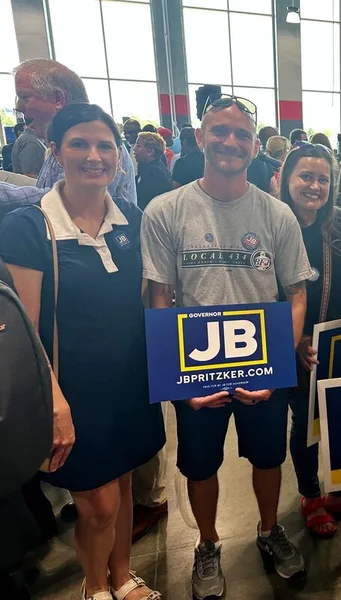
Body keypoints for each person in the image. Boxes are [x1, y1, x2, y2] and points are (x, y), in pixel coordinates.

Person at [141, 95, 311, 598]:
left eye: (242, 135)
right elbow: (159, 298)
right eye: (220, 131)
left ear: (255, 146)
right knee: (200, 465)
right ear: (200, 137)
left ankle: (268, 530)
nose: (230, 142)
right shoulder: (166, 210)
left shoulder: (277, 214)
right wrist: (178, 382)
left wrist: (277, 367)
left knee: (268, 459)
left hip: (261, 362)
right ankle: (208, 543)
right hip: (196, 368)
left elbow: (296, 294)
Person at [0, 103, 165, 600]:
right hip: (73, 393)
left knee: (124, 487)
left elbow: (147, 304)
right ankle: (95, 587)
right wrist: (54, 401)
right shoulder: (30, 228)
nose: (94, 156)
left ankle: (123, 575)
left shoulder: (132, 220)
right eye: (79, 144)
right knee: (97, 507)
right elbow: (27, 331)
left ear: (119, 155)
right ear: (56, 151)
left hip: (130, 385)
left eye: (104, 146)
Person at [276, 144, 341, 538]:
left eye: (323, 179)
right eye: (306, 176)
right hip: (298, 348)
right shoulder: (274, 224)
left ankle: (338, 492)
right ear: (287, 179)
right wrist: (295, 337)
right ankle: (311, 496)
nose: (315, 186)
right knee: (305, 423)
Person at [13, 59, 137, 207]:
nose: (18, 106)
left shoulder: (89, 144)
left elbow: (76, 202)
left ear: (58, 99)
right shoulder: (61, 142)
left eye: (25, 97)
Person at [132, 132, 173, 211]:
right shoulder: (147, 167)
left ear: (150, 151)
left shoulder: (155, 173)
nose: (134, 149)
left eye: (138, 146)